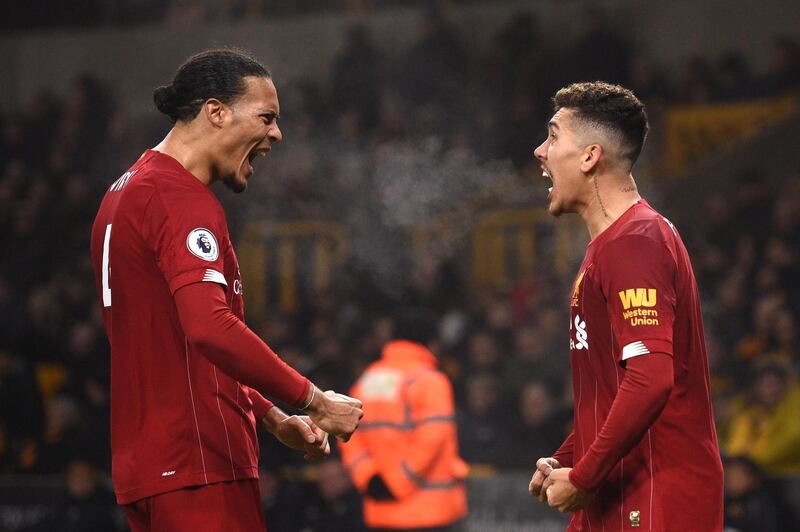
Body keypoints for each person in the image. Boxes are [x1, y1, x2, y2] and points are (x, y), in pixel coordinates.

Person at [89, 48, 363, 531]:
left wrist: (272, 416)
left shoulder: (125, 192)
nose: (276, 133)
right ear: (215, 112)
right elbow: (210, 327)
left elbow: (180, 343)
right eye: (266, 117)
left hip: (150, 468)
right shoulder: (180, 199)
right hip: (200, 467)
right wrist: (314, 401)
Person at [527, 82, 723, 530]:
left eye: (554, 135)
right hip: (621, 492)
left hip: (655, 498)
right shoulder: (614, 244)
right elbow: (617, 393)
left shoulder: (635, 242)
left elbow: (652, 380)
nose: (541, 151)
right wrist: (566, 458)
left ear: (590, 157)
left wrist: (583, 475)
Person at [340, 310, 468, 531]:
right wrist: (397, 484)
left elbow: (348, 435)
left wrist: (369, 479)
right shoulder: (429, 380)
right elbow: (432, 440)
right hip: (433, 514)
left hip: (381, 513)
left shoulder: (365, 382)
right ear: (431, 343)